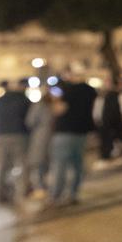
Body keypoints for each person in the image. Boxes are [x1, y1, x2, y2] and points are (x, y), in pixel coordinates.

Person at [50, 76, 97, 205]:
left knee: (60, 165)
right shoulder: (90, 91)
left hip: (64, 132)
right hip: (82, 132)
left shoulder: (68, 91)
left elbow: (59, 110)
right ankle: (73, 194)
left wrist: (55, 101)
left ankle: (56, 196)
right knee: (77, 165)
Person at [0, 79, 31, 203]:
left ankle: (0, 193)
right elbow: (30, 119)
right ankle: (21, 192)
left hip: (2, 135)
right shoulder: (24, 100)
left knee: (1, 165)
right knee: (22, 164)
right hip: (20, 134)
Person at [25, 88, 62, 198]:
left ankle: (41, 187)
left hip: (41, 136)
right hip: (53, 136)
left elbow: (30, 121)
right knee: (48, 162)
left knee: (39, 162)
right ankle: (49, 186)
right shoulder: (54, 106)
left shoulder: (39, 106)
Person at [93, 77, 122, 170]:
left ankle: (119, 156)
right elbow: (97, 109)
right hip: (105, 122)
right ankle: (105, 157)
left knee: (118, 139)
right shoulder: (101, 96)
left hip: (116, 122)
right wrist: (97, 118)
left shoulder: (120, 95)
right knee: (105, 140)